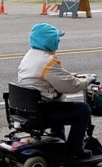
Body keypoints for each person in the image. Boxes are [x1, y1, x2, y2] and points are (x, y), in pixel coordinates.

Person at [17, 23, 94, 159]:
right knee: (83, 110)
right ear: (49, 41)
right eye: (57, 38)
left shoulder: (31, 55)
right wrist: (87, 80)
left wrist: (72, 75)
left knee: (59, 103)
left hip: (26, 110)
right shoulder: (48, 62)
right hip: (42, 112)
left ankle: (57, 139)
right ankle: (75, 150)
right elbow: (71, 86)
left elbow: (55, 77)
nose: (58, 41)